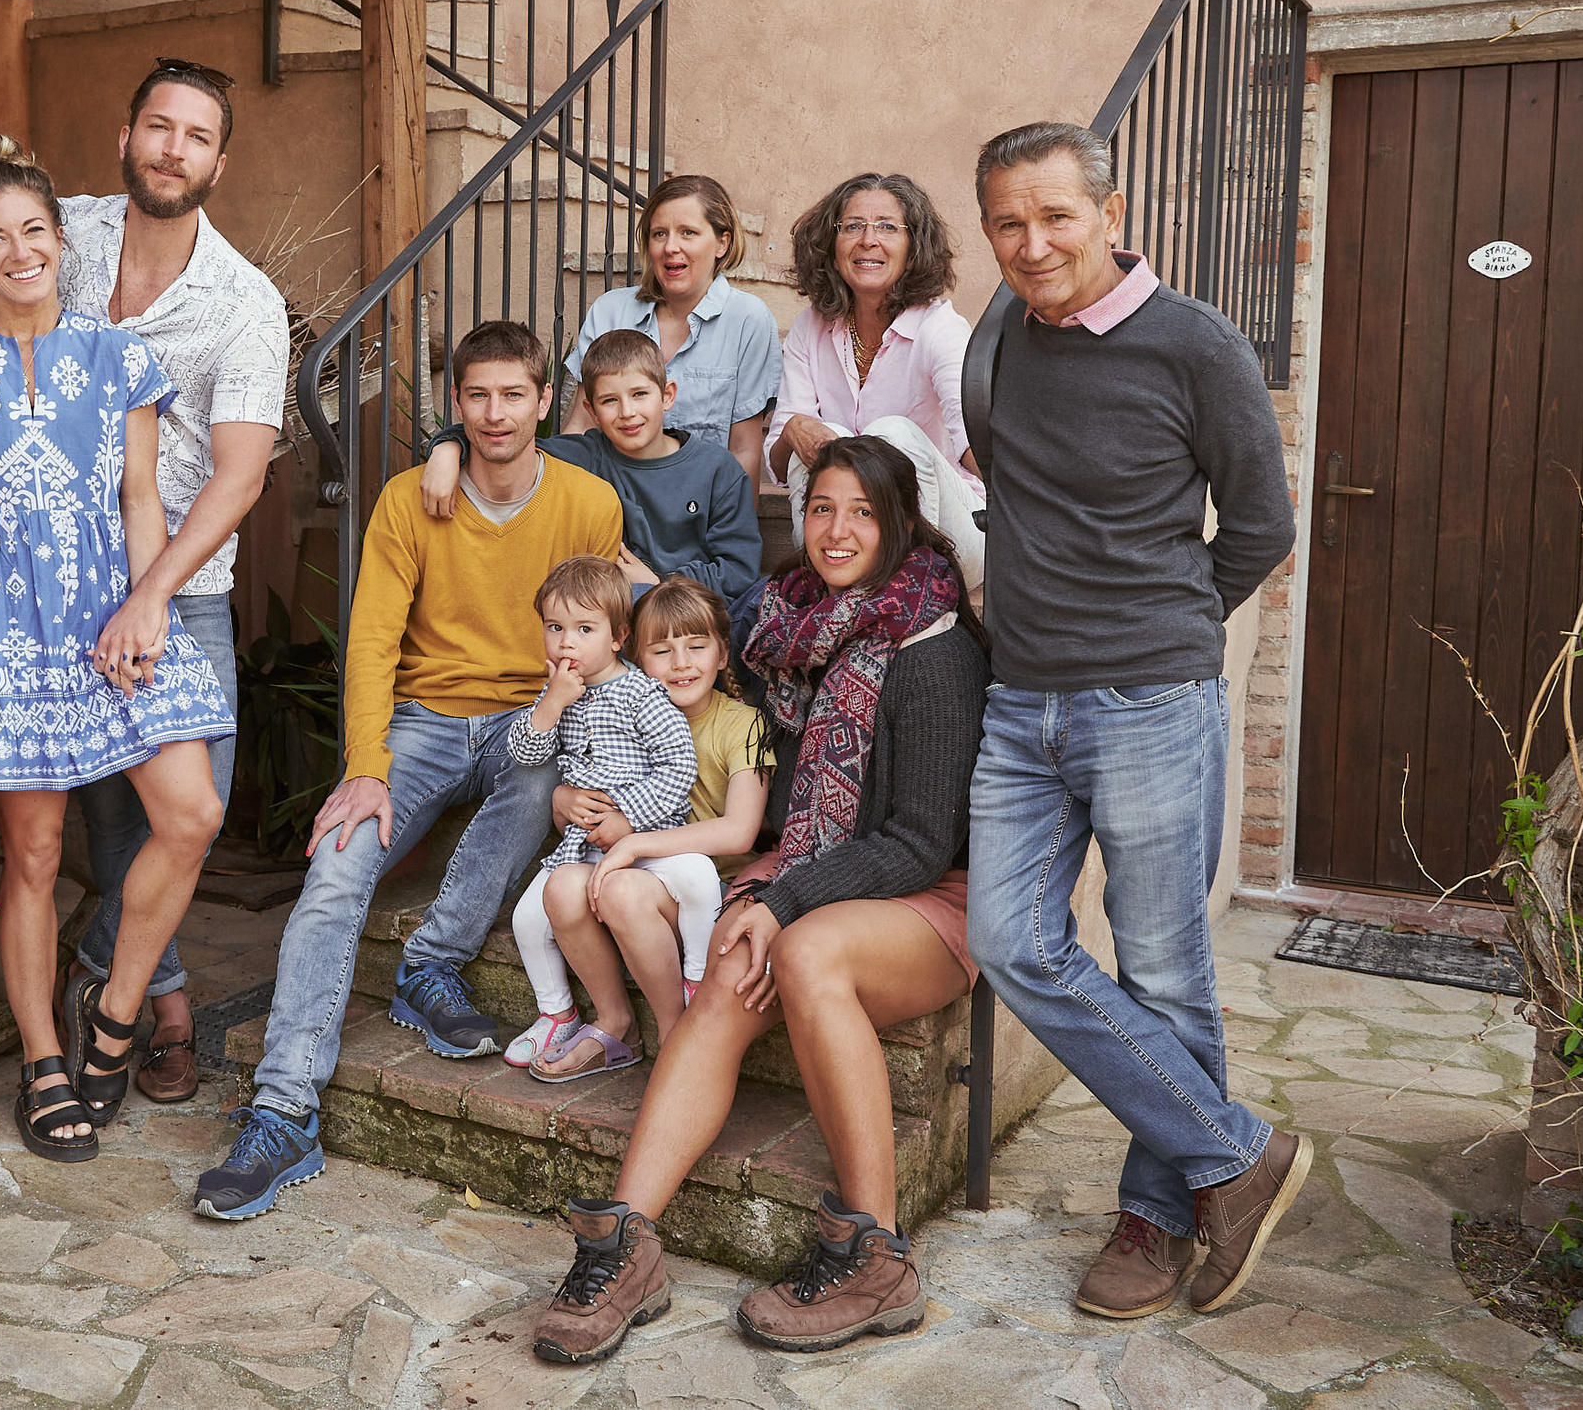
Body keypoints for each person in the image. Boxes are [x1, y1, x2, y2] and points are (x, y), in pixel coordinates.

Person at [529, 436, 986, 1363]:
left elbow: (918, 840)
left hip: (927, 895)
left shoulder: (933, 643)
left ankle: (874, 1254)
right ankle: (628, 1239)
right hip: (816, 868)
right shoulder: (786, 626)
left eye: (861, 510)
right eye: (820, 506)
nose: (837, 528)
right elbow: (769, 793)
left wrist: (783, 893)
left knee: (799, 950)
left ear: (901, 519)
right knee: (740, 954)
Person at [961, 121, 1302, 1322]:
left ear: (1111, 211)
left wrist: (1165, 628)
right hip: (1020, 702)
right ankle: (1234, 1156)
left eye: (1056, 216)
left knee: (1163, 967)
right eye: (1009, 221)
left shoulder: (1197, 344)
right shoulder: (1000, 335)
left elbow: (1261, 526)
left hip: (1150, 699)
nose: (1033, 242)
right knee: (1010, 943)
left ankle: (1156, 1218)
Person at [192, 320, 623, 1221]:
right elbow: (374, 639)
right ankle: (282, 1110)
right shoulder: (406, 500)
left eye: (516, 394)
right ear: (454, 408)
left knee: (543, 781)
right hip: (424, 720)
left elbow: (595, 646)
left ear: (548, 402)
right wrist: (365, 766)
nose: (497, 412)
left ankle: (430, 965)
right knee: (339, 863)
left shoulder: (589, 504)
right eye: (478, 396)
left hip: (530, 715)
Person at [0, 132, 230, 1163]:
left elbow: (141, 496)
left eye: (33, 232)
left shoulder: (119, 358)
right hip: (3, 632)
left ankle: (112, 1015)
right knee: (35, 855)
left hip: (111, 615)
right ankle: (41, 1062)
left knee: (190, 812)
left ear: (63, 240)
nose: (18, 252)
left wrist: (149, 603)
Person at [51, 57, 289, 1106]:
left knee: (189, 813)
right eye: (157, 127)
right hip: (48, 576)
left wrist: (152, 592)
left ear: (218, 162)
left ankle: (100, 985)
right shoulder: (60, 232)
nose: (170, 150)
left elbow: (238, 475)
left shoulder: (244, 301)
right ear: (126, 135)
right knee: (109, 821)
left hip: (177, 587)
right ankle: (169, 1010)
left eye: (194, 137)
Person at [508, 576, 768, 1075]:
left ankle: (677, 1030)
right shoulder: (616, 703)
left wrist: (632, 838)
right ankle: (598, 1020)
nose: (680, 664)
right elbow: (564, 765)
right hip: (623, 862)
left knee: (623, 892)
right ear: (635, 656)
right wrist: (562, 798)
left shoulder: (740, 723)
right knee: (557, 893)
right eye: (662, 651)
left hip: (700, 882)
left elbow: (739, 833)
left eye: (696, 647)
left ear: (722, 654)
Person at [503, 557, 700, 1082]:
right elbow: (522, 753)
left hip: (649, 851)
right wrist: (551, 703)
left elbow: (680, 766)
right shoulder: (561, 693)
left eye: (584, 630)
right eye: (555, 628)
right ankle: (617, 1023)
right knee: (560, 893)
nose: (566, 643)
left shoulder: (643, 695)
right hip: (584, 851)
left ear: (618, 637)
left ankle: (678, 1032)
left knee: (608, 893)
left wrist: (626, 817)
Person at [417, 329, 763, 608]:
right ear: (591, 412)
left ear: (667, 395)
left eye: (640, 394)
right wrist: (448, 447)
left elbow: (739, 570)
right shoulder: (584, 454)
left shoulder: (717, 469)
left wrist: (660, 582)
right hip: (614, 619)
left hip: (692, 617)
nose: (627, 412)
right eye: (610, 401)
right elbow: (507, 441)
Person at [764, 173, 984, 576]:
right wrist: (793, 429)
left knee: (893, 436)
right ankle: (826, 579)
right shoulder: (810, 326)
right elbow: (780, 467)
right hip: (853, 534)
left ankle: (913, 590)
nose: (868, 240)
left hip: (955, 532)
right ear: (831, 245)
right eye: (852, 226)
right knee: (813, 437)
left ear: (914, 247)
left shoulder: (939, 327)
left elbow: (973, 441)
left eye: (887, 226)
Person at [562, 174, 781, 484]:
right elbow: (581, 426)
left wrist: (737, 530)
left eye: (688, 232)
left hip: (698, 511)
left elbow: (744, 450)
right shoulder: (610, 311)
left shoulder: (748, 320)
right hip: (609, 505)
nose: (670, 247)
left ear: (723, 242)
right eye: (659, 233)